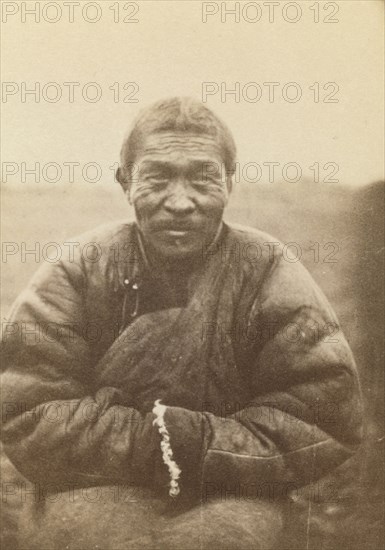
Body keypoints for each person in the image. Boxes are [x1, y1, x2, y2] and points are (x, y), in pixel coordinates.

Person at [1, 97, 363, 549]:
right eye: (157, 177)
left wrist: (198, 445)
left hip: (231, 488)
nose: (180, 202)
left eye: (202, 177)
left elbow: (322, 414)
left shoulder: (267, 270)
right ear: (125, 181)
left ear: (230, 183)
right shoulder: (79, 268)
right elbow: (28, 410)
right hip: (91, 485)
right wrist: (155, 444)